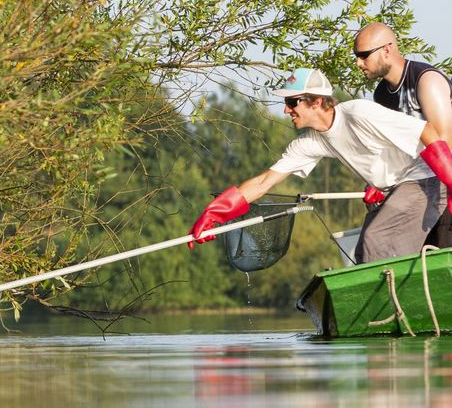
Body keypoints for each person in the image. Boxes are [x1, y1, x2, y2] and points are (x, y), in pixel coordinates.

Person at [188, 68, 452, 263]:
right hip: (394, 188)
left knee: (377, 239)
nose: (286, 110)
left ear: (316, 101)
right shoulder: (308, 143)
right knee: (362, 253)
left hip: (425, 179)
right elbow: (263, 183)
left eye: (292, 102)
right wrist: (214, 214)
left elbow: (427, 132)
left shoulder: (359, 112)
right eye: (286, 103)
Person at [353, 22, 452, 243]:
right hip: (417, 185)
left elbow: (446, 142)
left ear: (386, 50)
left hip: (445, 186)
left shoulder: (426, 80)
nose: (358, 63)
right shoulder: (382, 95)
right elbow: (393, 149)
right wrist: (378, 181)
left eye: (364, 55)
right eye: (357, 56)